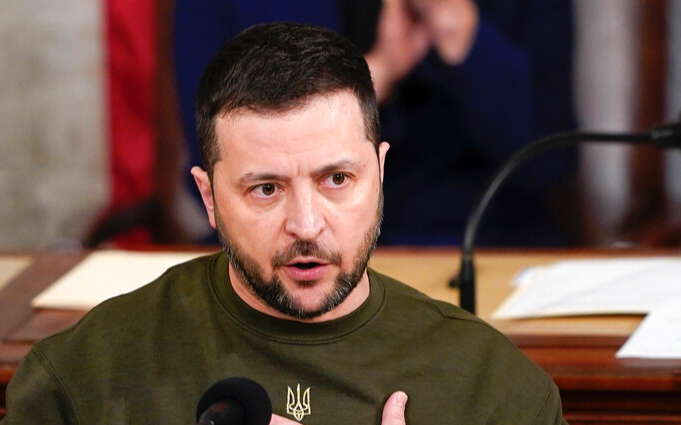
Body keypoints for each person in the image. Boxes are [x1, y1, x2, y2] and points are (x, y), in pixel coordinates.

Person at [0, 23, 607, 425]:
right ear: (209, 196)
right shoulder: (110, 354)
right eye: (265, 189)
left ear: (380, 172)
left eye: (337, 180)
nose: (306, 224)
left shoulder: (486, 373)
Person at [175, 0, 579, 247]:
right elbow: (215, 161)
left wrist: (464, 36)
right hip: (290, 247)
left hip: (477, 242)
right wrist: (375, 76)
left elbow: (548, 163)